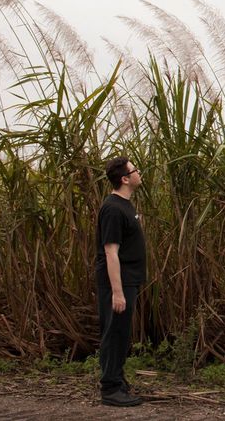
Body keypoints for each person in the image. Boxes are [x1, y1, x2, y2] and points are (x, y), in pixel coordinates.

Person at [95, 156, 146, 406]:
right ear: (125, 179)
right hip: (118, 283)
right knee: (114, 333)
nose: (139, 172)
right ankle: (110, 389)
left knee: (121, 333)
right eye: (135, 170)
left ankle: (117, 380)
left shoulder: (125, 205)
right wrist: (117, 292)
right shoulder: (113, 208)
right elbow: (110, 252)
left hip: (128, 280)